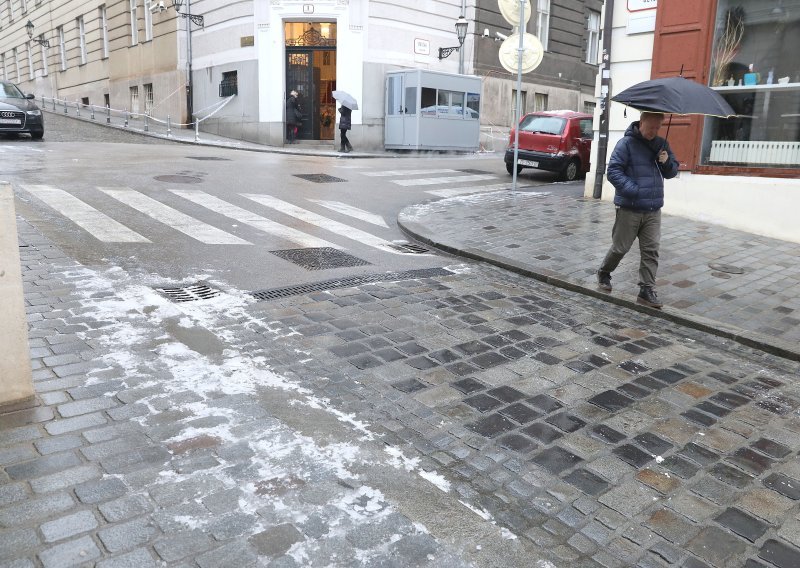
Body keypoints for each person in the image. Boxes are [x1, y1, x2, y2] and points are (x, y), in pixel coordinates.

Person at [596, 111, 679, 309]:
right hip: (629, 208)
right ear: (641, 122)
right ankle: (604, 272)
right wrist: (634, 190)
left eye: (658, 128)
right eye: (651, 127)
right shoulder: (625, 144)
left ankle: (646, 290)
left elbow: (672, 172)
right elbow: (613, 171)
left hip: (653, 209)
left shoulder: (661, 145)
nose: (654, 131)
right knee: (620, 248)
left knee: (651, 250)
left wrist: (666, 161)